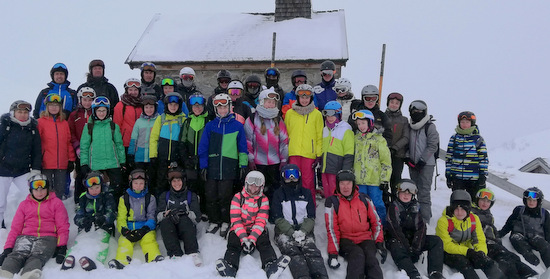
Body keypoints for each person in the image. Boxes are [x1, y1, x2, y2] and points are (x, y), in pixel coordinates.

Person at [215, 171, 291, 279]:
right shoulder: (238, 197)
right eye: (251, 185)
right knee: (233, 244)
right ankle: (230, 266)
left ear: (261, 187)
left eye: (257, 186)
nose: (253, 189)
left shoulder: (263, 200)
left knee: (264, 243)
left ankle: (270, 265)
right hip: (239, 229)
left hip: (257, 229)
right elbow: (236, 220)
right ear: (246, 184)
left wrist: (252, 238)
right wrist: (243, 238)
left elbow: (261, 220)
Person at [0, 173, 69, 279]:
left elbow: (62, 226)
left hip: (48, 238)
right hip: (25, 237)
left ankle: (29, 275)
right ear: (31, 190)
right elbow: (16, 228)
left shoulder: (56, 203)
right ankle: (5, 273)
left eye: (42, 189)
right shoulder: (24, 205)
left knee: (36, 256)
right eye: (36, 190)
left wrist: (62, 246)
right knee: (17, 254)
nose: (39, 192)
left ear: (47, 188)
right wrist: (8, 248)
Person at [198, 93, 248, 237]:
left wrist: (243, 165)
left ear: (230, 107)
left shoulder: (237, 126)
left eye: (225, 107)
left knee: (225, 196)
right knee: (211, 195)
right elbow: (203, 147)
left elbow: (242, 148)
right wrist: (204, 166)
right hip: (212, 165)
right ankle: (214, 220)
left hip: (229, 166)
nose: (222, 110)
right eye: (219, 108)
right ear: (215, 109)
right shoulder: (210, 126)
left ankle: (226, 220)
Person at [324, 170, 385, 279]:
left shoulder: (364, 199)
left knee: (371, 259)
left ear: (353, 184)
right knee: (357, 256)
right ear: (337, 185)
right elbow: (332, 229)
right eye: (342, 184)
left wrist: (379, 242)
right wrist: (333, 253)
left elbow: (376, 222)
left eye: (348, 183)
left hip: (365, 238)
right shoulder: (333, 202)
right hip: (346, 240)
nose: (345, 187)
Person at [271, 164, 328, 279]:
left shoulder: (306, 193)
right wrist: (292, 232)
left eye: (295, 175)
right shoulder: (279, 194)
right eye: (288, 175)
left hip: (304, 230)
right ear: (283, 177)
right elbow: (278, 218)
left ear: (299, 177)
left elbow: (311, 216)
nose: (292, 178)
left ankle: (320, 276)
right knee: (293, 253)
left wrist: (303, 231)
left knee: (312, 251)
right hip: (284, 231)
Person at [436, 190, 504, 279]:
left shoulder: (474, 219)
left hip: (468, 251)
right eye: (456, 209)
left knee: (488, 262)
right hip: (448, 253)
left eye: (463, 209)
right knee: (464, 263)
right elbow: (446, 245)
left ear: (468, 209)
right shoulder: (444, 221)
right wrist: (468, 252)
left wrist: (481, 252)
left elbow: (479, 239)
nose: (459, 212)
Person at [471, 188, 538, 279]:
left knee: (513, 257)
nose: (485, 203)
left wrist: (497, 239)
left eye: (488, 201)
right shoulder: (471, 214)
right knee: (503, 258)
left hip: (492, 243)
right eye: (482, 200)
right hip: (482, 244)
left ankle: (532, 275)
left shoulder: (488, 215)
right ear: (477, 200)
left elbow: (492, 230)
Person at [385, 179, 445, 279]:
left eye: (409, 193)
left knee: (436, 241)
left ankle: (435, 272)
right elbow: (395, 229)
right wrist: (408, 248)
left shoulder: (416, 207)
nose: (406, 195)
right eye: (403, 192)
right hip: (398, 240)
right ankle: (412, 273)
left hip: (413, 240)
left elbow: (421, 228)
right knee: (396, 246)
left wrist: (416, 247)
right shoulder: (394, 207)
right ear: (397, 193)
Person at [109, 169, 163, 269]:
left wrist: (146, 229)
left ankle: (154, 257)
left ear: (145, 184)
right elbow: (121, 217)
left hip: (145, 228)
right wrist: (124, 230)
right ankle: (121, 261)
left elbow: (152, 216)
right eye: (136, 183)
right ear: (131, 183)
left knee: (149, 241)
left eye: (141, 183)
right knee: (124, 243)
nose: (138, 186)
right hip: (129, 228)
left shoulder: (150, 198)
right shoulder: (124, 198)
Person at [61, 171, 116, 271]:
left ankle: (96, 260)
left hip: (104, 227)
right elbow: (78, 216)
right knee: (81, 241)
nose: (94, 191)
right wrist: (83, 221)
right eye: (91, 189)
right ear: (87, 188)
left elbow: (111, 213)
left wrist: (103, 219)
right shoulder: (83, 198)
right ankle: (70, 258)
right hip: (86, 227)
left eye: (97, 188)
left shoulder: (107, 196)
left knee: (100, 242)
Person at [0, 100, 41, 228]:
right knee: (0, 201)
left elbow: (36, 150)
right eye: (20, 112)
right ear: (14, 112)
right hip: (3, 170)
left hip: (22, 170)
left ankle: (30, 222)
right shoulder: (5, 125)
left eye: (25, 112)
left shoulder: (32, 128)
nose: (23, 115)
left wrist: (35, 169)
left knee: (32, 196)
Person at [244, 87, 289, 203]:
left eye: (273, 102)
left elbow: (284, 142)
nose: (271, 104)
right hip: (258, 163)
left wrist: (284, 159)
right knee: (258, 189)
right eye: (268, 102)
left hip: (275, 162)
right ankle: (258, 211)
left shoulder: (278, 120)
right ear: (262, 102)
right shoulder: (253, 119)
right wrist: (251, 159)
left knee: (274, 190)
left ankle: (273, 213)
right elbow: (248, 141)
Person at [79, 97, 126, 199]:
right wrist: (84, 163)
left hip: (112, 162)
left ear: (108, 111)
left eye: (104, 111)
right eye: (99, 111)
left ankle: (114, 208)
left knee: (116, 188)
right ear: (94, 111)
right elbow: (84, 147)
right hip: (95, 163)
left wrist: (122, 162)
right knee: (96, 189)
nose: (101, 113)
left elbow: (119, 145)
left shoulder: (113, 126)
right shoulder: (89, 127)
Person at [284, 84, 323, 206]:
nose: (304, 100)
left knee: (308, 183)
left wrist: (318, 154)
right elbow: (286, 132)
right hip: (293, 152)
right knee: (292, 180)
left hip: (309, 154)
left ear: (311, 98)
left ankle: (310, 208)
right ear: (297, 98)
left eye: (307, 97)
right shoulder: (290, 113)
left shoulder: (316, 114)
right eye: (302, 97)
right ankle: (292, 207)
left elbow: (319, 135)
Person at [156, 167, 202, 265]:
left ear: (183, 181)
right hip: (171, 230)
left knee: (184, 220)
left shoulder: (191, 195)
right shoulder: (165, 196)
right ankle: (174, 254)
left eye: (179, 181)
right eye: (174, 181)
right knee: (165, 223)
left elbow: (197, 217)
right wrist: (166, 214)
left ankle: (192, 253)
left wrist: (183, 214)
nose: (176, 184)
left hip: (186, 229)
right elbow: (158, 216)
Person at [351, 109, 391, 222]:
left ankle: (381, 228)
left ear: (370, 122)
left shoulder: (379, 140)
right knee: (361, 205)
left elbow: (386, 162)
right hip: (359, 180)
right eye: (358, 124)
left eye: (363, 123)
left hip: (374, 181)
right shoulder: (356, 139)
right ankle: (364, 227)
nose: (361, 126)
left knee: (377, 204)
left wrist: (384, 179)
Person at [499, 187, 550, 268]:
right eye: (529, 200)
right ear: (525, 200)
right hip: (519, 236)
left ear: (538, 201)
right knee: (516, 239)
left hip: (536, 237)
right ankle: (533, 262)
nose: (531, 202)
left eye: (534, 200)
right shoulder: (519, 210)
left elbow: (548, 230)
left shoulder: (544, 213)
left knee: (545, 246)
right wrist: (500, 234)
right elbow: (509, 224)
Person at [406, 100, 439, 223]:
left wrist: (422, 160)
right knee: (413, 189)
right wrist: (408, 157)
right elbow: (407, 143)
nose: (417, 113)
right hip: (413, 163)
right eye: (414, 111)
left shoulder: (429, 126)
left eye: (420, 111)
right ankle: (414, 216)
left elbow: (432, 145)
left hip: (426, 164)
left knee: (424, 192)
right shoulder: (410, 126)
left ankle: (425, 220)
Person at [38, 93, 76, 200]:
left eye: (56, 105)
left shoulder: (64, 123)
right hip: (46, 163)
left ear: (60, 107)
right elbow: (37, 143)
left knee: (60, 190)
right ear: (46, 107)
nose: (54, 108)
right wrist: (38, 160)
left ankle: (58, 212)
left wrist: (71, 159)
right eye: (51, 105)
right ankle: (46, 213)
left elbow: (68, 142)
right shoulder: (40, 122)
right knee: (47, 189)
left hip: (62, 163)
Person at [149, 92, 187, 196]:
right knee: (161, 182)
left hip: (177, 158)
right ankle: (160, 206)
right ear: (167, 105)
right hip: (162, 157)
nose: (173, 107)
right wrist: (153, 155)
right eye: (171, 105)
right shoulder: (161, 119)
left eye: (175, 105)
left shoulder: (183, 120)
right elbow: (153, 138)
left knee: (176, 182)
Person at [445, 111, 488, 199]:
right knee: (458, 201)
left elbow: (483, 158)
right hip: (457, 177)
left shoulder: (478, 139)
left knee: (472, 202)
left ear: (472, 123)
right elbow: (449, 157)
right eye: (462, 122)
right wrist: (448, 175)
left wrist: (482, 176)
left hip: (473, 178)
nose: (464, 124)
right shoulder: (454, 138)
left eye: (467, 122)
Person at [180, 93, 210, 221]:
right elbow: (182, 142)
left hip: (204, 160)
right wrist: (186, 159)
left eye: (200, 106)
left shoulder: (208, 121)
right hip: (190, 159)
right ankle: (192, 209)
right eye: (195, 106)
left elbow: (211, 142)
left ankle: (204, 210)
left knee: (204, 186)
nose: (197, 109)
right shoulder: (187, 122)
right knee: (191, 186)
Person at [321, 101, 354, 199]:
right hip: (325, 168)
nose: (330, 118)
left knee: (335, 192)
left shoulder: (345, 130)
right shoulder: (325, 129)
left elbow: (349, 152)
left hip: (337, 169)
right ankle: (329, 210)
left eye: (333, 115)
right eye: (327, 115)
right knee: (327, 192)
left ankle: (338, 211)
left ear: (338, 115)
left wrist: (345, 170)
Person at [69, 87, 96, 204]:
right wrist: (77, 147)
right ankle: (79, 201)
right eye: (85, 100)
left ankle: (94, 200)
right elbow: (71, 132)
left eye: (90, 100)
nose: (87, 102)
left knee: (94, 176)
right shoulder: (74, 115)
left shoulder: (96, 113)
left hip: (94, 151)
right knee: (81, 176)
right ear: (80, 100)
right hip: (81, 152)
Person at [128, 95, 159, 185]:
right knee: (139, 179)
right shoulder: (139, 122)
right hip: (140, 156)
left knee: (151, 179)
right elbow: (134, 139)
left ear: (155, 108)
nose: (149, 110)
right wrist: (131, 154)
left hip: (152, 156)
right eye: (146, 107)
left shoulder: (158, 120)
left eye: (151, 107)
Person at [385, 92, 410, 203]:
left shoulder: (404, 120)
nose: (394, 105)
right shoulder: (382, 116)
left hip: (397, 155)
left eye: (396, 103)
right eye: (392, 102)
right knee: (383, 180)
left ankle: (396, 203)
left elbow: (406, 137)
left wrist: (395, 148)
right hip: (383, 154)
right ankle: (385, 203)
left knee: (395, 181)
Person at [113, 78, 143, 153]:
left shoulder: (142, 105)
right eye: (130, 90)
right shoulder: (121, 105)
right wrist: (118, 142)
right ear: (127, 90)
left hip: (140, 142)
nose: (133, 92)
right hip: (125, 142)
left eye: (135, 90)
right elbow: (116, 126)